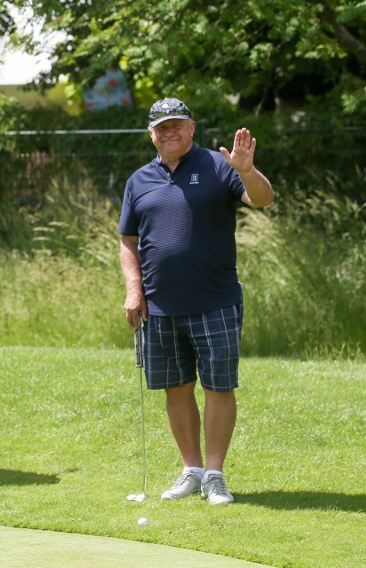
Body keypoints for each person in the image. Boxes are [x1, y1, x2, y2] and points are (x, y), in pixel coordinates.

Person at [118, 98, 274, 505]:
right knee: (176, 388)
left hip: (215, 300)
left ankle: (216, 475)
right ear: (151, 133)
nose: (170, 132)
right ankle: (192, 469)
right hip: (160, 305)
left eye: (178, 125)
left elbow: (263, 199)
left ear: (192, 127)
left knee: (219, 388)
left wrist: (246, 170)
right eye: (162, 127)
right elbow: (128, 241)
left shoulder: (220, 166)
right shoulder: (138, 180)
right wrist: (134, 289)